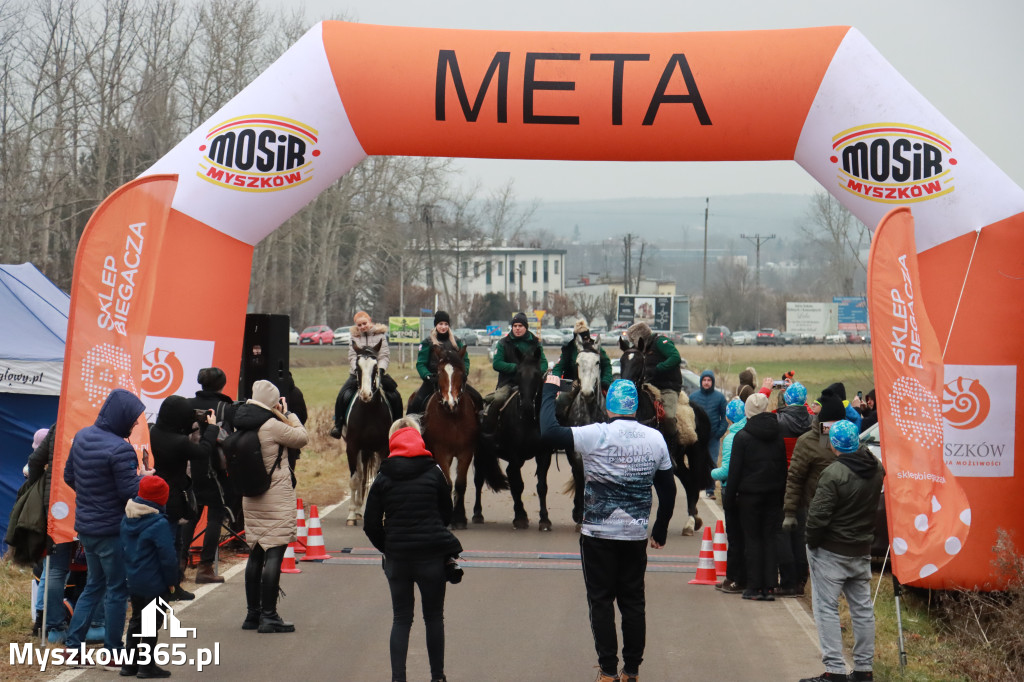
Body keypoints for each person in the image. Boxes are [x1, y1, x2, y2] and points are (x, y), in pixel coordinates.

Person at [540, 377, 676, 682]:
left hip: (598, 535)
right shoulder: (655, 439)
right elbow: (668, 491)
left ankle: (607, 670)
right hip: (635, 535)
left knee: (600, 601)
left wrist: (549, 390)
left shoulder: (595, 434)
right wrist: (661, 530)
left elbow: (549, 432)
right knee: (633, 601)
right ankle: (632, 670)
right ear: (636, 405)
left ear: (608, 405)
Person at [363, 416, 463, 682]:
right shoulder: (434, 471)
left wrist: (389, 546)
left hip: (398, 558)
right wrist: (432, 531)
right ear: (420, 438)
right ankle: (438, 676)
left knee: (401, 619)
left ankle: (398, 678)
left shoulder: (383, 475)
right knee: (433, 617)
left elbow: (370, 523)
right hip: (431, 557)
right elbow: (446, 512)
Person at [63, 388, 151, 656]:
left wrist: (92, 495)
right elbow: (129, 491)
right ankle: (113, 650)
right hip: (112, 530)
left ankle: (72, 644)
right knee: (116, 589)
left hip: (87, 528)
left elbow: (69, 477)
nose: (135, 424)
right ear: (122, 416)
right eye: (134, 419)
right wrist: (146, 478)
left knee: (93, 585)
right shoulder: (120, 448)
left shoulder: (82, 436)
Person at [800, 420, 884, 682]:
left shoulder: (833, 474)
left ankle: (834, 670)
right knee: (862, 609)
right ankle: (863, 669)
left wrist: (811, 541)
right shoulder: (877, 468)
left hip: (831, 551)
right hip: (861, 549)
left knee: (826, 608)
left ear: (834, 445)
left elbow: (818, 517)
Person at [236, 380, 308, 633]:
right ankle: (269, 616)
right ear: (273, 402)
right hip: (275, 496)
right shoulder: (272, 425)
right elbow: (301, 438)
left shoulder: (241, 420)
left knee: (255, 553)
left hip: (251, 495)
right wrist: (288, 413)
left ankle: (252, 615)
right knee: (274, 554)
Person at [149, 395, 218, 593]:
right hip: (172, 499)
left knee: (174, 543)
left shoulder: (154, 431)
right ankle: (168, 588)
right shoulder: (179, 442)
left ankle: (173, 586)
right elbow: (203, 451)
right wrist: (212, 428)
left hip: (157, 496)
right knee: (171, 545)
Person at [781, 391, 848, 597]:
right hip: (813, 508)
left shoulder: (850, 439)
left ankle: (830, 596)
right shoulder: (809, 441)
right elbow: (795, 478)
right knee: (809, 548)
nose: (836, 427)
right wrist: (790, 511)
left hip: (844, 510)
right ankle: (804, 583)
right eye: (832, 423)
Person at [723, 393, 787, 601]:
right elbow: (782, 467)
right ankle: (770, 586)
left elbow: (735, 472)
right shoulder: (778, 434)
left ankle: (753, 586)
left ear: (747, 411)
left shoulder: (742, 437)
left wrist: (729, 498)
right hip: (773, 494)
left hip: (749, 496)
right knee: (770, 539)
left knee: (752, 540)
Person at [119, 475, 178, 678]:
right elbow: (168, 557)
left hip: (134, 579)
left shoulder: (127, 517)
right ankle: (146, 666)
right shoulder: (159, 524)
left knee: (136, 620)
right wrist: (172, 582)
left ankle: (129, 664)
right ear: (162, 499)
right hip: (156, 582)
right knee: (151, 624)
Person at [333, 311, 403, 435]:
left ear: (369, 321)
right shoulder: (354, 337)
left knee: (395, 395)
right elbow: (352, 356)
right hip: (357, 374)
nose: (362, 327)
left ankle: (399, 428)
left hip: (376, 373)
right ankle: (338, 425)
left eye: (364, 323)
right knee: (342, 395)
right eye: (359, 325)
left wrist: (380, 370)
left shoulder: (380, 336)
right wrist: (358, 370)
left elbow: (384, 356)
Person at [775, 381, 813, 597]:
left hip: (783, 481)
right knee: (800, 533)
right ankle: (800, 579)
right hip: (805, 482)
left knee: (782, 531)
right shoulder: (813, 422)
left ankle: (788, 580)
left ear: (786, 399)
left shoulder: (779, 422)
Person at [481, 312, 548, 436]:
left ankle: (549, 434)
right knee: (498, 399)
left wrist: (534, 373)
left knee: (549, 402)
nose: (517, 328)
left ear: (526, 327)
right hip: (508, 383)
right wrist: (517, 368)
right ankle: (490, 432)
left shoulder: (535, 342)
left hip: (531, 384)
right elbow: (497, 363)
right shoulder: (503, 343)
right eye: (515, 325)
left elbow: (543, 363)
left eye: (520, 326)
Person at [408, 311, 476, 416]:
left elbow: (465, 360)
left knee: (478, 398)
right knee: (415, 403)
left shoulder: (457, 342)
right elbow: (421, 364)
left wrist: (464, 373)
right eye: (440, 324)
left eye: (446, 324)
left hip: (455, 380)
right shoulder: (427, 342)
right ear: (436, 325)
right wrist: (428, 376)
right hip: (433, 381)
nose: (443, 327)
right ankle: (410, 428)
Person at [623, 321, 682, 441]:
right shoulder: (640, 348)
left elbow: (675, 357)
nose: (632, 343)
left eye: (632, 340)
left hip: (668, 387)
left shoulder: (660, 342)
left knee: (669, 417)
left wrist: (658, 368)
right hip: (650, 386)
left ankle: (673, 443)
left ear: (639, 337)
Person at [712, 399, 746, 591]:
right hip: (750, 489)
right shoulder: (751, 431)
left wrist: (712, 473)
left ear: (728, 416)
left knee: (733, 536)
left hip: (731, 490)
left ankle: (733, 578)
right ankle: (746, 577)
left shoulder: (731, 437)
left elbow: (726, 470)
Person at [688, 369, 727, 498]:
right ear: (701, 381)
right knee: (698, 463)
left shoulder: (720, 397)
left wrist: (719, 433)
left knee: (712, 463)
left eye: (709, 380)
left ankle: (710, 491)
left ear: (712, 382)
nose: (706, 382)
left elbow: (724, 417)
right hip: (698, 438)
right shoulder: (693, 397)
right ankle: (696, 489)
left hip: (713, 438)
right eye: (704, 380)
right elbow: (689, 416)